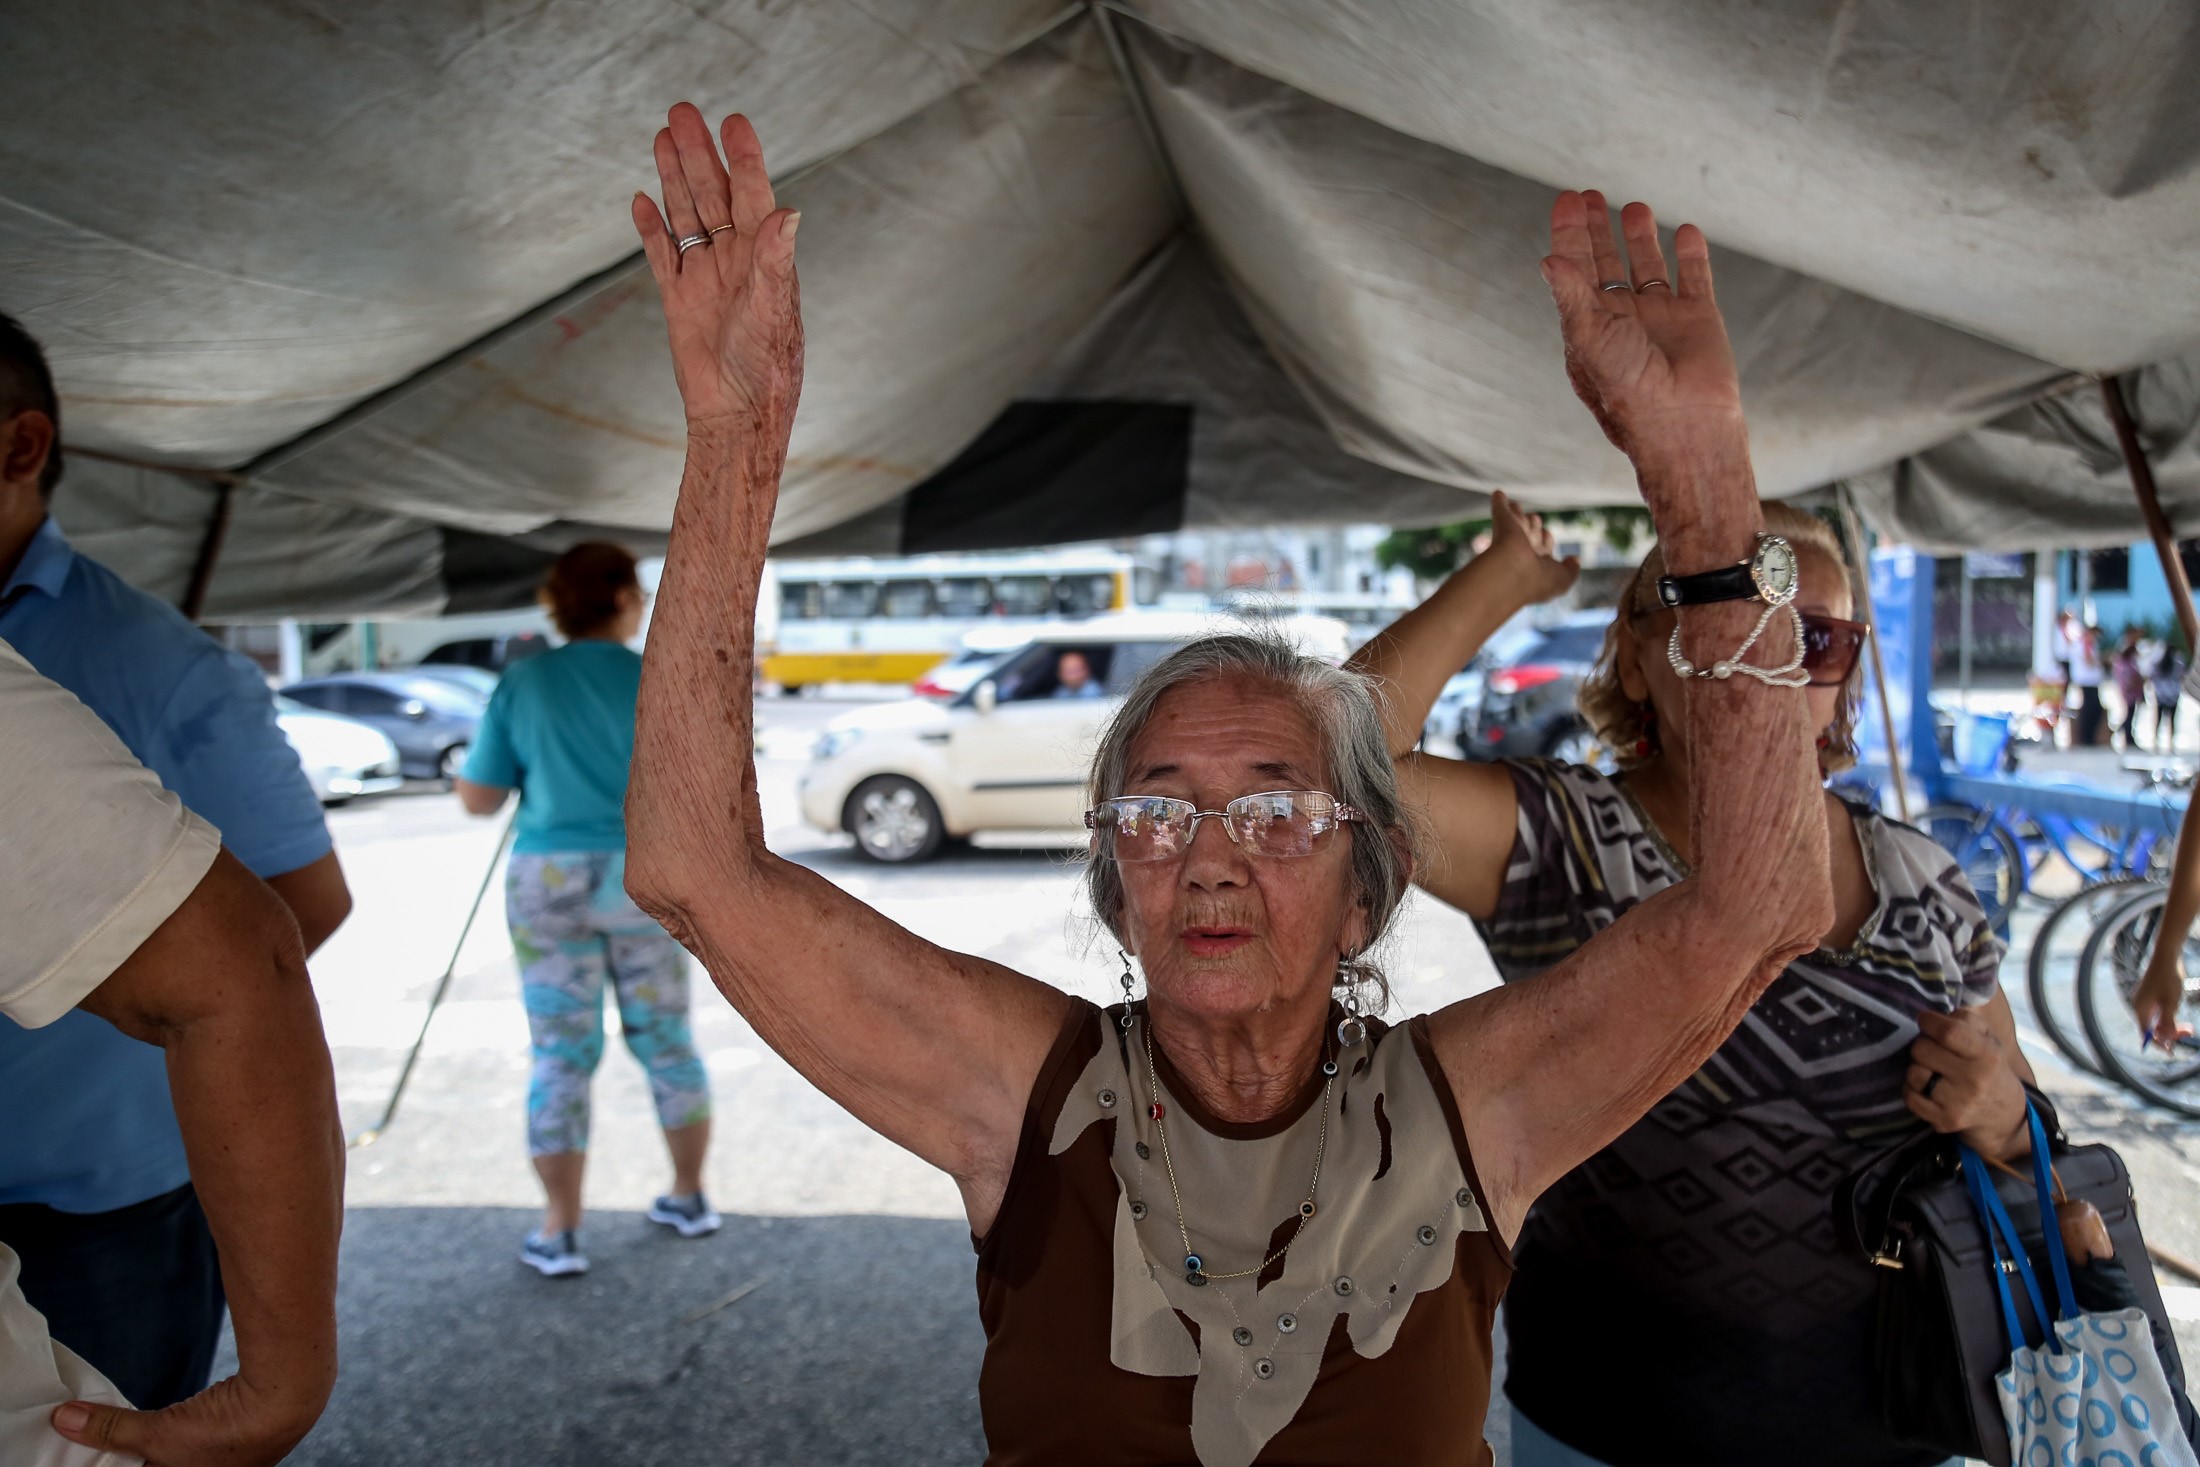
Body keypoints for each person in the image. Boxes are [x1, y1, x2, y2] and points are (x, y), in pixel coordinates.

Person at [619, 106, 1830, 1463]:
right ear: (1115, 876)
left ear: (1367, 884)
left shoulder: (1469, 1107)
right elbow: (691, 869)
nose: (1210, 854)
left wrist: (1705, 483)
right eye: (1157, 808)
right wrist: (735, 435)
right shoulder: (1026, 1091)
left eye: (1273, 807)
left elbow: (1759, 907)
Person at [1347, 493, 2037, 1465]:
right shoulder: (1563, 839)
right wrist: (1504, 576)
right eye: (1720, 627)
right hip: (1610, 1427)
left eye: (1816, 641)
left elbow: (2024, 1127)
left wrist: (2003, 1116)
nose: (1767, 666)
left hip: (1901, 1422)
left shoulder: (1923, 881)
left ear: (1844, 679)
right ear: (1635, 660)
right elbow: (1332, 772)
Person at [0, 313, 351, 1409]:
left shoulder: (160, 663)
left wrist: (87, 988)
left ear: (19, 449)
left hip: (96, 1206)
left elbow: (297, 915)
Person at [0, 638, 341, 1466]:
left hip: (106, 1182)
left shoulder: (163, 656)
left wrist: (282, 1387)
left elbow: (268, 939)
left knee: (137, 1410)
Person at [454, 542, 716, 1277]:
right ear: (628, 598)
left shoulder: (524, 681)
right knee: (667, 1040)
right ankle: (690, 1195)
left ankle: (561, 1227)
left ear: (556, 601)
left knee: (560, 1054)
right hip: (642, 877)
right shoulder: (658, 679)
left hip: (548, 878)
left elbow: (480, 798)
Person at [2072, 615, 2108, 746]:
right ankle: (2087, 738)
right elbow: (2089, 661)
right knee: (2090, 709)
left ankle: (2090, 737)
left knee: (2094, 709)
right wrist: (2103, 661)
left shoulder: (2089, 643)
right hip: (2087, 681)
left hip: (2092, 681)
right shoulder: (2085, 643)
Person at [2112, 628, 2146, 749]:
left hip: (2131, 688)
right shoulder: (2125, 653)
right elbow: (2124, 672)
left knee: (2131, 713)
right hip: (2130, 688)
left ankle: (2126, 735)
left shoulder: (2128, 653)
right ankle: (2125, 735)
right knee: (2130, 713)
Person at [2152, 640, 2187, 751]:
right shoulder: (2178, 661)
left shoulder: (2160, 662)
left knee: (2159, 718)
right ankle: (2171, 741)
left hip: (2161, 693)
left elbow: (2152, 674)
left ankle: (2156, 740)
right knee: (2172, 719)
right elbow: (2183, 675)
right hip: (2173, 694)